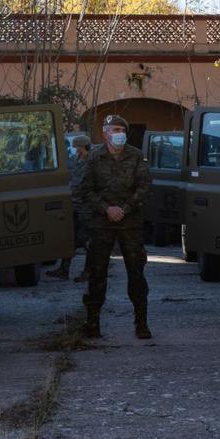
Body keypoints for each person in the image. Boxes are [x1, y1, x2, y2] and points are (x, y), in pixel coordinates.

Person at [79, 115, 152, 339]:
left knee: (136, 273)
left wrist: (124, 209)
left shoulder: (137, 156)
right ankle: (92, 322)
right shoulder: (94, 157)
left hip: (130, 224)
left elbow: (144, 186)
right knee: (97, 273)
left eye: (122, 129)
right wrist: (106, 209)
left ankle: (141, 323)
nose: (118, 133)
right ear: (105, 133)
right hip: (102, 224)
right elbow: (86, 190)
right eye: (114, 129)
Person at [47, 134, 92, 280]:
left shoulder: (92, 162)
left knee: (87, 240)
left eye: (77, 147)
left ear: (83, 146)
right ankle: (64, 269)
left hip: (87, 206)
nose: (75, 149)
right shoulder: (74, 160)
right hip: (73, 203)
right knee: (70, 238)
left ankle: (88, 272)